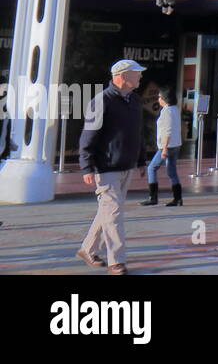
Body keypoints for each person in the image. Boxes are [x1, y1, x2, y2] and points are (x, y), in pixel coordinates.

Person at [77, 59, 148, 275]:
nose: (141, 77)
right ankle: (117, 261)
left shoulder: (135, 101)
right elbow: (88, 135)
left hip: (126, 165)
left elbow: (138, 133)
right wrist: (86, 166)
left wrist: (142, 160)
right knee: (114, 212)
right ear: (123, 76)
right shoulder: (102, 101)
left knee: (108, 211)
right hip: (106, 167)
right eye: (137, 73)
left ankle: (87, 249)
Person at [140, 85, 183, 207]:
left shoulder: (167, 112)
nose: (158, 99)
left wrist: (164, 149)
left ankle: (153, 197)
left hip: (167, 146)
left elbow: (167, 131)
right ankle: (178, 198)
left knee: (151, 168)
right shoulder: (175, 109)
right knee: (171, 171)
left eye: (160, 97)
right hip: (176, 145)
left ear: (165, 98)